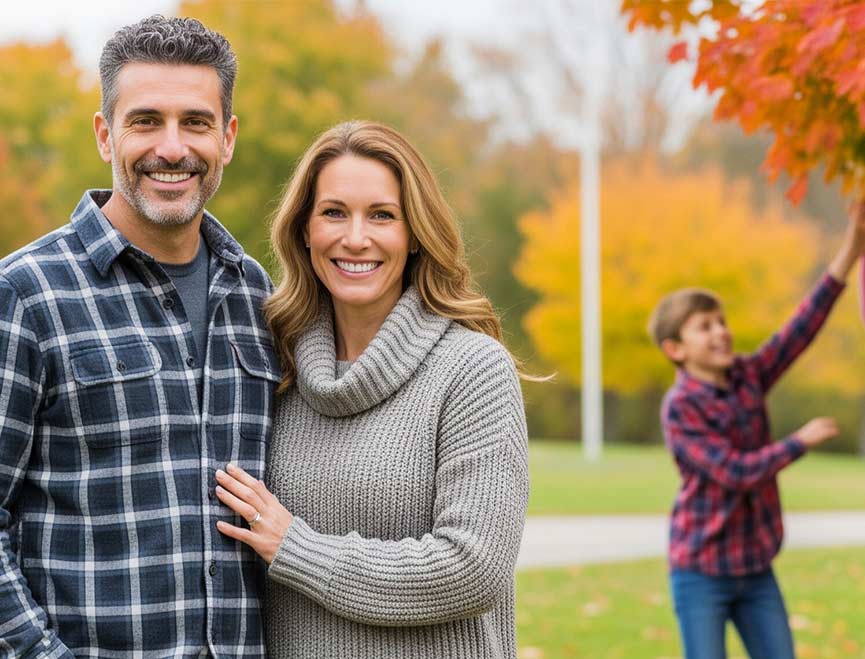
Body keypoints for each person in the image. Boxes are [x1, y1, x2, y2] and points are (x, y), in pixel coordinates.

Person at [0, 15, 279, 657]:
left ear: (228, 138)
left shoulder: (255, 294)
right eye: (147, 120)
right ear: (106, 134)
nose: (173, 148)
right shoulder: (27, 293)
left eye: (196, 122)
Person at [214, 120, 530, 659]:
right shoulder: (273, 365)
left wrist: (297, 547)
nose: (355, 237)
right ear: (304, 231)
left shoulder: (473, 370)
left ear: (413, 236)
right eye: (334, 212)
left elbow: (473, 569)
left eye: (382, 215)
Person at [648, 202, 865, 659]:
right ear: (675, 349)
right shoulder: (680, 408)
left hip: (756, 567)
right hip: (701, 572)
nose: (721, 332)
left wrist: (849, 252)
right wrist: (798, 442)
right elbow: (735, 472)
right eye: (705, 327)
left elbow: (798, 330)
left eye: (721, 322)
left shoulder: (748, 375)